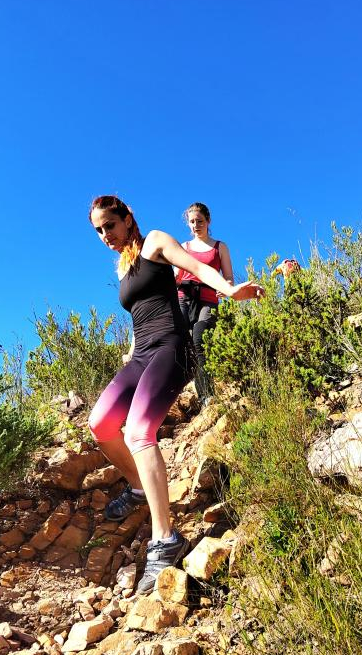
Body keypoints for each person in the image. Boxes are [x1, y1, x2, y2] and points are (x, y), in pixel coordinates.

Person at [87, 195, 264, 595]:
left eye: (109, 225)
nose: (105, 235)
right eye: (98, 230)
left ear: (127, 217)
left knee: (138, 432)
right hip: (142, 353)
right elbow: (140, 314)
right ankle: (136, 486)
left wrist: (230, 289)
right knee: (99, 423)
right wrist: (131, 351)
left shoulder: (154, 242)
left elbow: (199, 267)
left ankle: (165, 540)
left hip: (171, 348)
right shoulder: (123, 266)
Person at [176, 202, 233, 406]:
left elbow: (228, 278)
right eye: (191, 222)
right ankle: (174, 394)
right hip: (184, 297)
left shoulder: (219, 247)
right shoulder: (184, 248)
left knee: (200, 338)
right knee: (180, 344)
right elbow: (176, 275)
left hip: (209, 299)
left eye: (199, 221)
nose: (195, 225)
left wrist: (225, 289)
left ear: (208, 221)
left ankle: (206, 395)